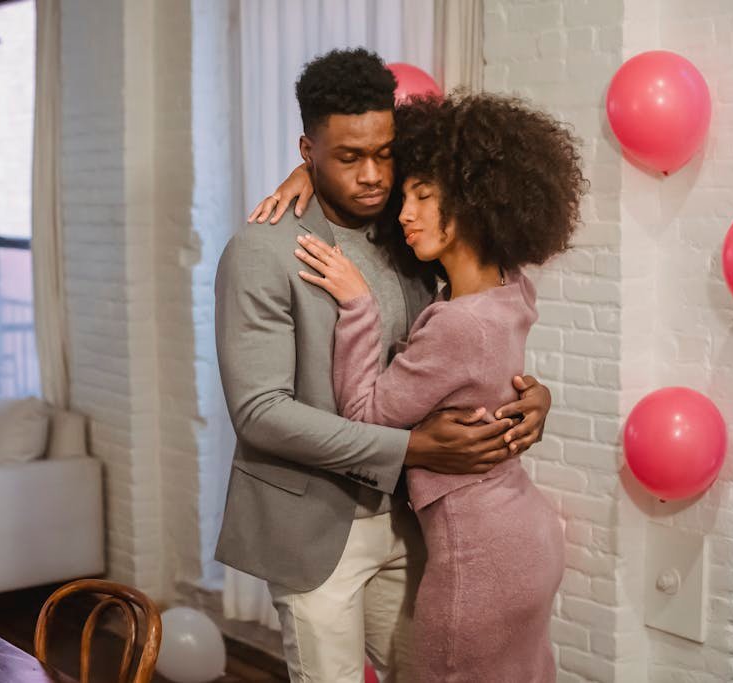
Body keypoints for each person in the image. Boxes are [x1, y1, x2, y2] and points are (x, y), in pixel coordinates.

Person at [214, 48, 552, 682]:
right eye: (347, 157)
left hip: (413, 521)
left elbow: (471, 337)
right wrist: (412, 449)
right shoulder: (261, 252)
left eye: (385, 153)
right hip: (313, 529)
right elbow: (261, 414)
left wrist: (536, 396)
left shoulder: (411, 232)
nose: (373, 176)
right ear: (307, 150)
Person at [291, 92, 585, 681]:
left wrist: (357, 305)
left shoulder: (457, 324)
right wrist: (305, 170)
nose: (404, 213)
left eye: (424, 197)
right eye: (405, 196)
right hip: (530, 538)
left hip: (481, 561)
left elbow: (366, 412)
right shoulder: (512, 288)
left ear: (476, 204)